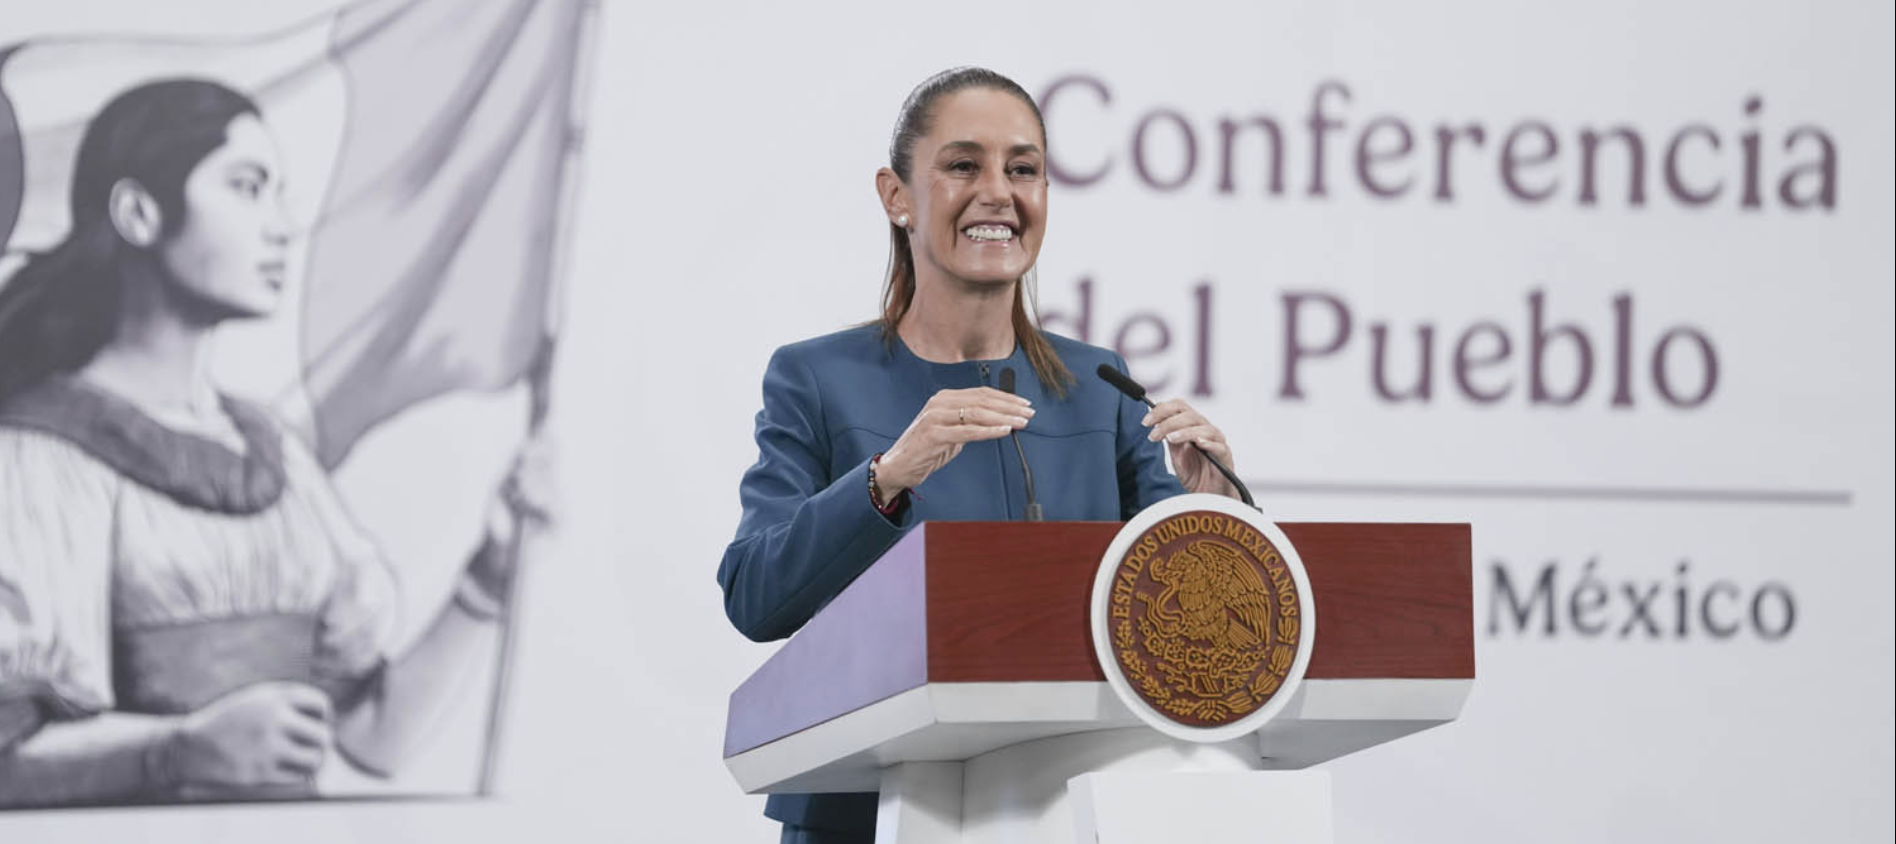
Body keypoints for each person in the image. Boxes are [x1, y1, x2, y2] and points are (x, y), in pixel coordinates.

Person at [718, 67, 1244, 844]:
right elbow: (755, 596)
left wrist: (1213, 514)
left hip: (1070, 806)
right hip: (865, 814)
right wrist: (885, 479)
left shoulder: (1101, 387)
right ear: (897, 196)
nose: (998, 192)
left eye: (1022, 169)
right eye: (964, 165)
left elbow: (1181, 623)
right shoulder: (816, 378)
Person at [0, 78, 546, 806]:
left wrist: (490, 573)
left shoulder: (275, 456)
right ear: (138, 213)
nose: (283, 226)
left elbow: (374, 737)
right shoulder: (39, 456)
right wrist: (178, 749)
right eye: (247, 187)